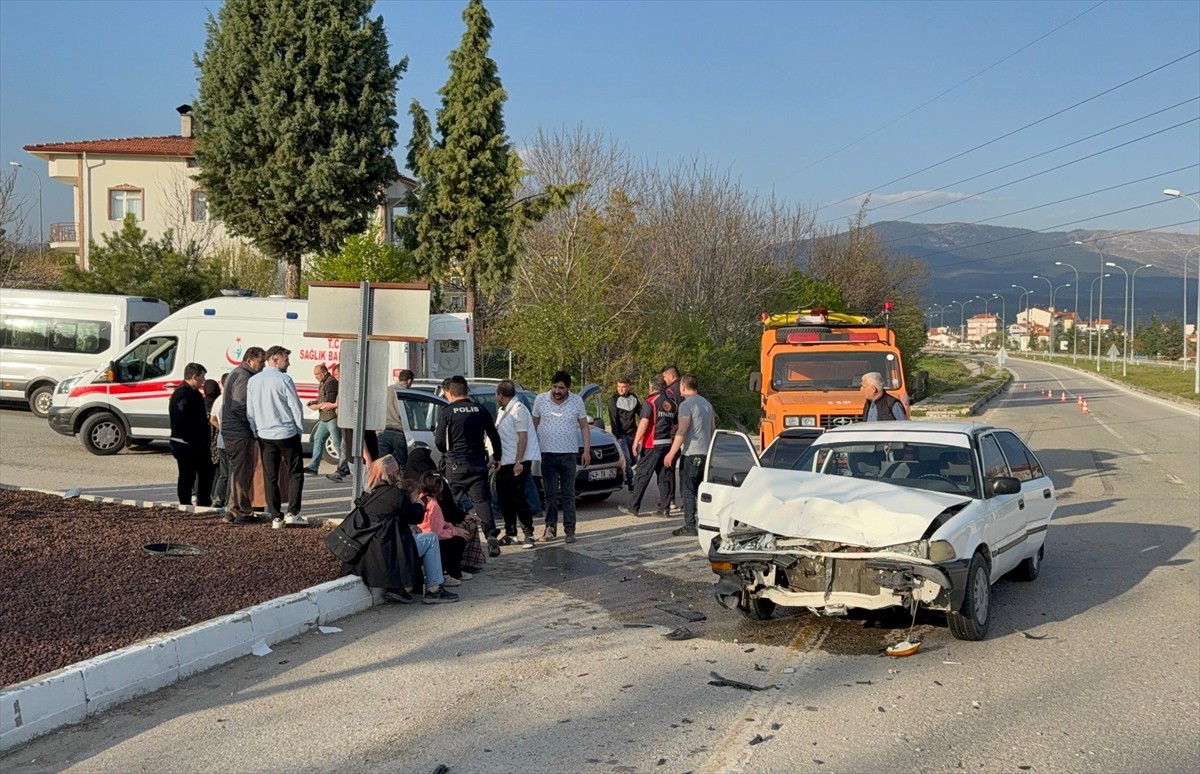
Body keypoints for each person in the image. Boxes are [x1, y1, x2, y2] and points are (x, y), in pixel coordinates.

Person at [335, 455, 458, 604]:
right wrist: (419, 503)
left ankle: (398, 588)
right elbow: (416, 517)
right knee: (431, 538)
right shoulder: (394, 495)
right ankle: (434, 590)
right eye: (396, 471)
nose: (398, 474)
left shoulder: (370, 495)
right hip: (388, 554)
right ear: (391, 472)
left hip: (368, 554)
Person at [435, 375, 503, 556]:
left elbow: (440, 442)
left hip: (456, 465)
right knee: (481, 502)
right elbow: (494, 436)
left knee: (452, 502)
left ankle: (451, 539)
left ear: (449, 393)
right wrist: (497, 457)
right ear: (467, 391)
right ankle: (490, 535)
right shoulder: (480, 410)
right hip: (478, 464)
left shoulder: (447, 412)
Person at [246, 345, 308, 529]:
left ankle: (276, 517)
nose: (288, 363)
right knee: (295, 473)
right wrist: (299, 428)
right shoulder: (284, 379)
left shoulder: (254, 381)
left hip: (264, 434)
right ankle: (293, 513)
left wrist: (255, 429)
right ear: (275, 359)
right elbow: (295, 406)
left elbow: (251, 410)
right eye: (285, 360)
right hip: (286, 432)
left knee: (270, 475)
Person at [532, 370, 590, 544]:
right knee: (550, 493)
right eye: (555, 387)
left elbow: (585, 427)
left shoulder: (577, 401)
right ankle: (550, 528)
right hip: (547, 453)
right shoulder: (540, 399)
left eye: (561, 388)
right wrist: (530, 450)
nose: (557, 391)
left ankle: (570, 530)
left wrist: (586, 451)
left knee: (568, 493)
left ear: (568, 389)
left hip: (569, 454)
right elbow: (533, 425)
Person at [407, 447, 485, 575]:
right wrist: (455, 529)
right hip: (435, 531)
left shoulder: (411, 485)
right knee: (465, 531)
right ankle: (458, 568)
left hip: (424, 530)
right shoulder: (434, 483)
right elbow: (437, 528)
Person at [663, 374, 715, 537]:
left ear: (683, 387)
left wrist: (672, 452)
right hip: (706, 452)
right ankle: (706, 522)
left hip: (691, 453)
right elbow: (713, 429)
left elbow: (683, 430)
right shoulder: (707, 404)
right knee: (701, 490)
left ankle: (690, 525)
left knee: (687, 490)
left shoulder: (686, 405)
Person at [618, 376, 677, 518]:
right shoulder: (672, 403)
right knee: (664, 476)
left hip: (652, 444)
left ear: (652, 388)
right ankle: (665, 507)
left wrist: (636, 441)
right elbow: (675, 424)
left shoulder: (650, 402)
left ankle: (633, 506)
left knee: (642, 475)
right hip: (667, 443)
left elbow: (644, 422)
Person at [221, 346, 266, 524]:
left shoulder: (236, 373)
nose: (262, 366)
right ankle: (242, 511)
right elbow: (239, 405)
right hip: (239, 431)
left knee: (238, 471)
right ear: (250, 360)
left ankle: (232, 511)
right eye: (261, 362)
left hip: (233, 430)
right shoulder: (244, 377)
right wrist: (253, 426)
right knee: (243, 472)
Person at [494, 379, 539, 549]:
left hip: (518, 461)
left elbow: (523, 436)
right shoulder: (503, 411)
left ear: (500, 395)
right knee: (505, 498)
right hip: (505, 461)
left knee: (518, 497)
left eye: (497, 394)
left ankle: (529, 534)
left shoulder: (519, 410)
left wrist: (519, 462)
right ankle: (511, 533)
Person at [169, 363, 214, 507]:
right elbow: (179, 419)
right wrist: (190, 439)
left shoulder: (194, 393)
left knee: (206, 473)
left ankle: (204, 501)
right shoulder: (181, 394)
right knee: (187, 475)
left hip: (198, 443)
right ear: (194, 376)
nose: (203, 380)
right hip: (186, 443)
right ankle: (185, 503)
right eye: (202, 377)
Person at [328, 361, 380, 484]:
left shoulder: (351, 393)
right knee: (343, 447)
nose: (336, 377)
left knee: (364, 484)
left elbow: (357, 431)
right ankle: (341, 469)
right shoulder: (346, 390)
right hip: (355, 445)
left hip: (359, 449)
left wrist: (366, 457)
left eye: (337, 374)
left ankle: (341, 470)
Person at [415, 471, 472, 585]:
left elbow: (438, 522)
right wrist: (455, 531)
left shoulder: (421, 499)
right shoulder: (434, 505)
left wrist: (450, 526)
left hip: (423, 533)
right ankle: (450, 572)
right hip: (433, 537)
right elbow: (437, 532)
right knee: (459, 540)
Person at [304, 363, 339, 475]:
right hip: (324, 418)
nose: (316, 376)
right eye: (315, 374)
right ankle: (314, 467)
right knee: (318, 439)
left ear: (324, 372)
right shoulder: (323, 382)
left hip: (331, 417)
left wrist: (315, 407)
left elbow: (328, 402)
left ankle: (346, 467)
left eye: (318, 374)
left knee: (337, 443)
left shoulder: (331, 382)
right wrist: (315, 402)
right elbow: (321, 399)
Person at [377, 369, 413, 475]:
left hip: (383, 431)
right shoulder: (407, 393)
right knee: (403, 466)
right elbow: (409, 414)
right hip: (399, 432)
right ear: (410, 381)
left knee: (383, 465)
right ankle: (402, 486)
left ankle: (383, 487)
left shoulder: (387, 390)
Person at [608, 377, 640, 492]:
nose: (621, 389)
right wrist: (617, 436)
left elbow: (640, 412)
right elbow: (613, 419)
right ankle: (631, 483)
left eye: (624, 387)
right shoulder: (613, 400)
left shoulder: (633, 398)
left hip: (633, 434)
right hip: (621, 435)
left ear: (628, 387)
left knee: (634, 460)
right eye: (619, 387)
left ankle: (627, 474)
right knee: (627, 460)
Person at [661, 365, 683, 510]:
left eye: (665, 377)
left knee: (669, 466)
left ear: (671, 376)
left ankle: (670, 500)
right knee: (685, 468)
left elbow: (669, 412)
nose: (664, 380)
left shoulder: (669, 391)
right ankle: (688, 500)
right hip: (690, 433)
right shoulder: (686, 387)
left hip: (675, 432)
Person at [209, 374, 231, 509]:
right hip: (231, 440)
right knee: (233, 473)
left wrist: (222, 429)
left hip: (221, 440)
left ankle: (218, 497)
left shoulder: (218, 399)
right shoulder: (231, 399)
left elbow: (212, 419)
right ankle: (228, 499)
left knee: (224, 473)